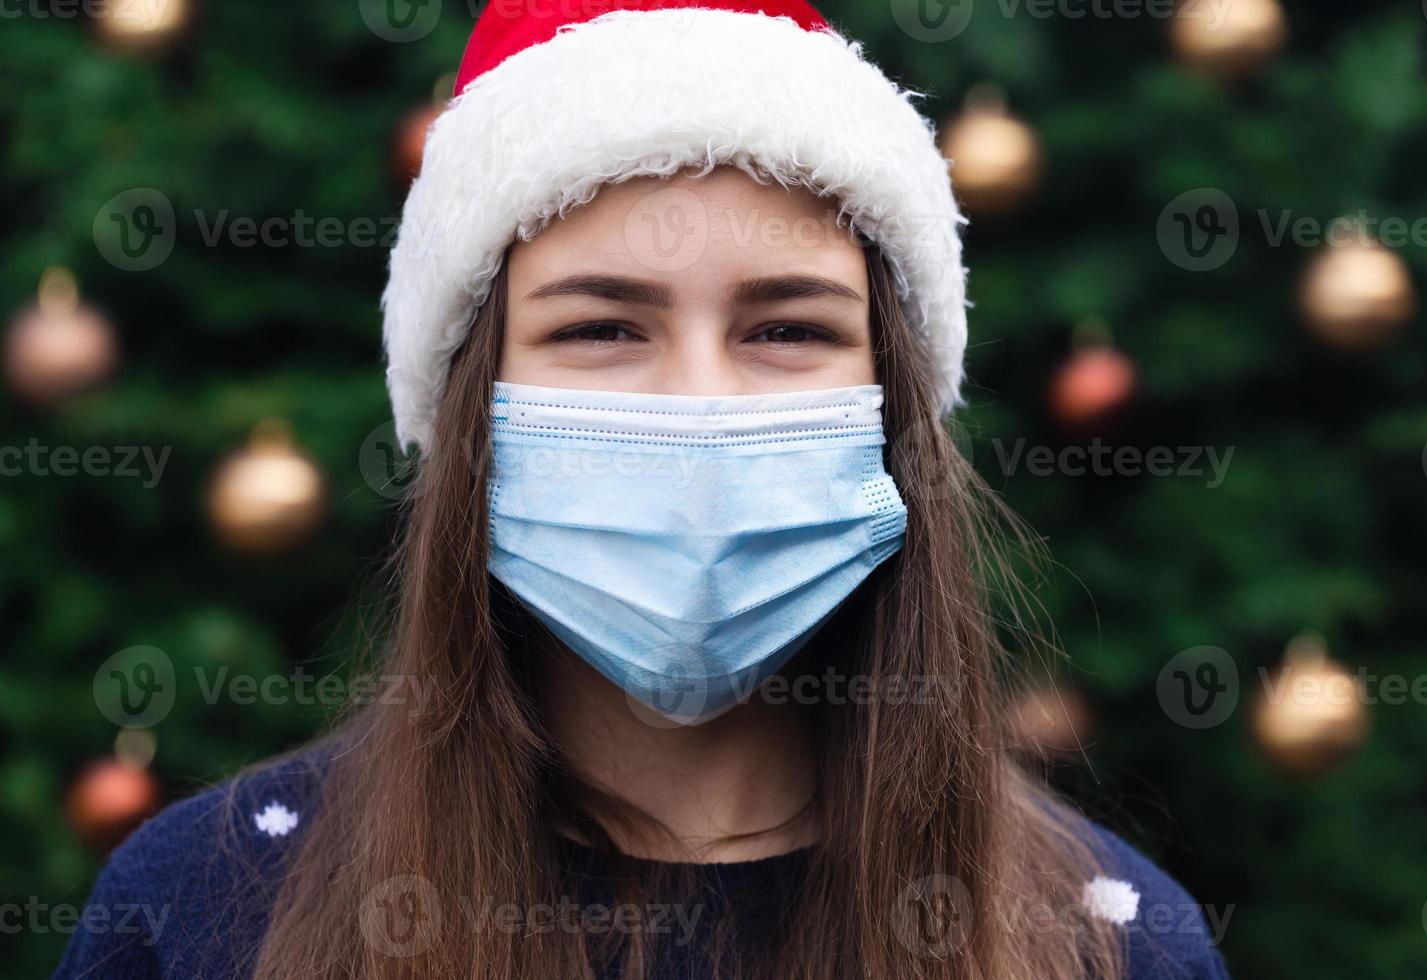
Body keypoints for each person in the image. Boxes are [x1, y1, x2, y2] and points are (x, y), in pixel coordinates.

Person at [56, 2, 1231, 978]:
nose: (698, 404)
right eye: (603, 324)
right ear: (475, 402)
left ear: (891, 398)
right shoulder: (205, 909)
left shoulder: (1109, 939)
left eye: (785, 325)